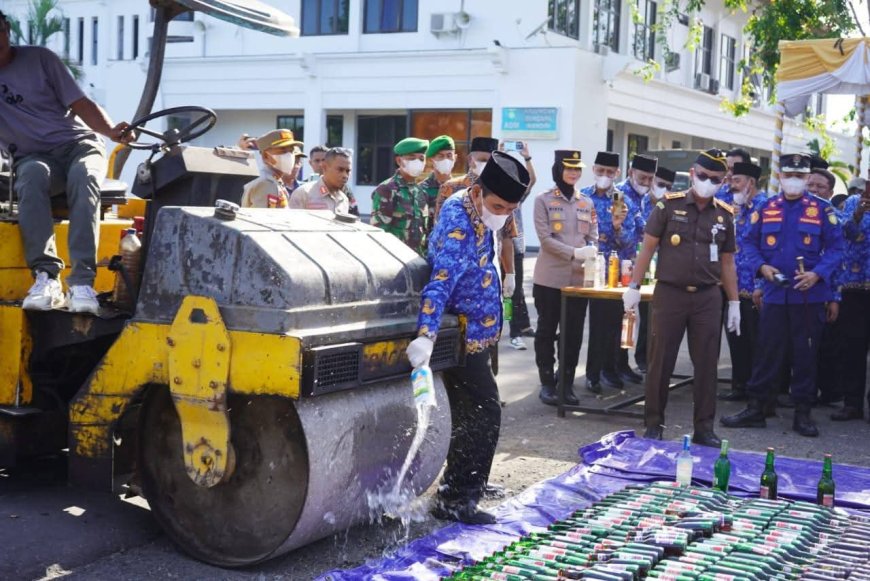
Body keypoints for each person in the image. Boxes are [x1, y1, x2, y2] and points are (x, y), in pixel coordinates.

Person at [406, 151, 529, 525]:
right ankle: (458, 499)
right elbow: (440, 280)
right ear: (477, 192)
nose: (503, 214)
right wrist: (425, 335)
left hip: (481, 330)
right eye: (498, 205)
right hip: (461, 336)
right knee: (484, 410)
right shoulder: (459, 221)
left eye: (510, 208)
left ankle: (461, 489)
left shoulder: (481, 212)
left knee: (472, 414)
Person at [0, 10, 134, 313]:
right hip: (34, 157)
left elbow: (81, 103)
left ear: (7, 29)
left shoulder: (40, 59)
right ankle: (46, 277)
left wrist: (112, 131)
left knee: (84, 177)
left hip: (78, 145)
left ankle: (82, 283)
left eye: (0, 30)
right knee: (30, 177)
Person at [720, 153, 844, 437]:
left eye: (800, 177)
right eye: (789, 175)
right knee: (767, 352)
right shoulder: (766, 208)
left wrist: (818, 273)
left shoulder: (822, 210)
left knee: (805, 354)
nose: (794, 181)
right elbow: (748, 244)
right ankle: (757, 408)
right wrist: (762, 269)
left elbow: (837, 249)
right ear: (779, 176)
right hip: (775, 295)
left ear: (807, 178)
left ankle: (803, 412)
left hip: (808, 296)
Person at [624, 149, 740, 447]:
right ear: (691, 174)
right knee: (660, 361)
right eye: (702, 176)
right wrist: (634, 286)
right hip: (670, 294)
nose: (707, 182)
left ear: (722, 181)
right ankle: (653, 423)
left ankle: (704, 428)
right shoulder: (667, 206)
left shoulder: (725, 215)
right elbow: (647, 248)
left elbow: (727, 263)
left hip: (707, 298)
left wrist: (735, 301)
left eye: (714, 179)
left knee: (706, 365)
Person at [532, 150, 598, 405]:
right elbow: (545, 240)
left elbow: (593, 233)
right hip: (549, 279)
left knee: (572, 334)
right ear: (558, 170)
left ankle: (566, 384)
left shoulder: (586, 203)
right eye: (568, 168)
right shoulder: (543, 200)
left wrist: (592, 249)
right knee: (547, 332)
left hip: (578, 281)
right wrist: (574, 252)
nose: (573, 173)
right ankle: (547, 383)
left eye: (577, 169)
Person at [582, 151, 636, 392]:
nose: (604, 176)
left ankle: (610, 370)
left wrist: (618, 227)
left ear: (618, 174)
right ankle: (592, 374)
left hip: (614, 273)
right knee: (592, 326)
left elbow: (631, 243)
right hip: (586, 269)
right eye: (600, 171)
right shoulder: (582, 196)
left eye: (610, 172)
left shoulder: (623, 201)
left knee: (613, 325)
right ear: (593, 170)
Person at [718, 162, 767, 403]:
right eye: (731, 179)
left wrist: (763, 285)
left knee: (757, 342)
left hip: (756, 287)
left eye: (736, 180)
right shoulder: (732, 205)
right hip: (733, 286)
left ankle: (758, 393)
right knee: (736, 340)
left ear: (751, 182)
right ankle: (739, 385)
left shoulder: (766, 206)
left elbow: (769, 249)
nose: (731, 184)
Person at [829, 188, 870, 421]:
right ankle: (851, 403)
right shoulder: (853, 202)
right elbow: (846, 233)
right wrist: (858, 214)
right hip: (853, 288)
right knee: (852, 348)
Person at [616, 154, 658, 383]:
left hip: (637, 268)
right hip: (617, 269)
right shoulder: (621, 195)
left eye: (650, 178)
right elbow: (624, 236)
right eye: (643, 177)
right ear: (631, 172)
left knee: (628, 320)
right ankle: (611, 367)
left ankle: (622, 365)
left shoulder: (643, 197)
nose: (647, 182)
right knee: (616, 322)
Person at [370, 137, 429, 255]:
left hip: (418, 260)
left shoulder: (420, 191)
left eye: (421, 159)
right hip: (395, 259)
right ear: (399, 161)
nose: (417, 162)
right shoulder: (387, 189)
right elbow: (379, 233)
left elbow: (424, 231)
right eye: (412, 158)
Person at [240, 129, 304, 209]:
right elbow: (263, 219)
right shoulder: (266, 183)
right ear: (265, 156)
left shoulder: (275, 180)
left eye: (291, 151)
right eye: (283, 150)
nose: (289, 155)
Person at [289, 147, 353, 213]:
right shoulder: (304, 194)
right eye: (340, 170)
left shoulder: (344, 200)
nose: (345, 175)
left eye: (348, 171)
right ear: (325, 167)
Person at [420, 135, 456, 235]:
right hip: (429, 248)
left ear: (455, 158)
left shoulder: (462, 189)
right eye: (440, 156)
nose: (446, 159)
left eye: (449, 155)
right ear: (432, 160)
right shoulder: (421, 189)